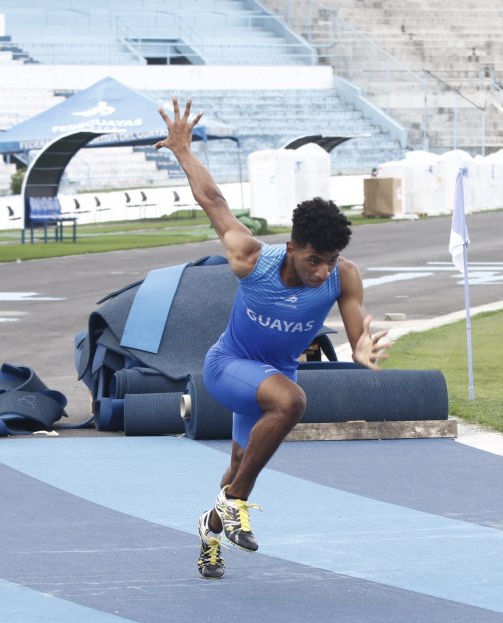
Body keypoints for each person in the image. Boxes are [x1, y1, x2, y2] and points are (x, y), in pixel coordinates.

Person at [154, 98, 390, 580]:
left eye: (331, 259)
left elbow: (355, 323)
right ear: (293, 246)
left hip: (270, 378)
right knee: (292, 403)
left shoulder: (342, 277)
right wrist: (182, 150)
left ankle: (212, 526)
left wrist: (362, 345)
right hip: (228, 368)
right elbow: (214, 201)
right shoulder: (251, 259)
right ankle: (238, 500)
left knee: (240, 462)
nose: (322, 270)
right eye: (314, 260)